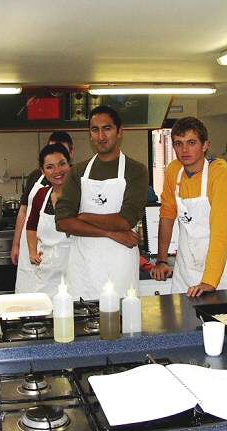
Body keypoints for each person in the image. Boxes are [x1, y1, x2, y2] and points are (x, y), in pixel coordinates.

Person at [55, 106, 147, 300]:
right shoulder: (78, 172)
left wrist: (83, 217)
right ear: (90, 135)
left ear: (120, 132)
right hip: (83, 269)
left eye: (107, 128)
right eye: (95, 130)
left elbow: (125, 221)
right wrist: (110, 233)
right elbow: (62, 222)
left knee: (121, 316)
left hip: (120, 267)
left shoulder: (136, 170)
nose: (101, 136)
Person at [150, 117, 227, 296]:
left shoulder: (220, 176)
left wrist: (209, 282)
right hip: (184, 269)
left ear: (205, 145)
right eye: (178, 143)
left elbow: (221, 234)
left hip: (217, 275)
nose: (184, 150)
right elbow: (167, 216)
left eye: (191, 143)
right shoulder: (174, 171)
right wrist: (161, 260)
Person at [13, 131, 74, 292]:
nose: (57, 171)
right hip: (47, 269)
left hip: (73, 267)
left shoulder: (80, 193)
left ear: (69, 164)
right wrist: (31, 251)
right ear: (43, 171)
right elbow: (31, 224)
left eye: (62, 164)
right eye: (50, 167)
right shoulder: (41, 195)